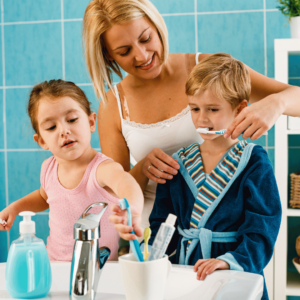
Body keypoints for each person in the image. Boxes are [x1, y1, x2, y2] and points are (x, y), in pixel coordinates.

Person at [83, 0, 296, 230]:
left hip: (223, 228)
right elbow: (117, 195)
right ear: (108, 55)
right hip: (153, 233)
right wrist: (143, 168)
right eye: (124, 51)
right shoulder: (112, 104)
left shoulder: (207, 69)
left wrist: (278, 102)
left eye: (145, 39)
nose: (142, 55)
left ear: (156, 26)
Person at [110, 53, 282, 300]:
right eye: (194, 109)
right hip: (185, 271)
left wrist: (230, 262)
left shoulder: (254, 161)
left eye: (213, 109)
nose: (202, 118)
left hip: (234, 270)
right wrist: (151, 253)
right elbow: (161, 221)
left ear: (240, 108)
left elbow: (263, 226)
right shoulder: (179, 162)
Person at [0, 80, 143, 261]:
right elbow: (44, 197)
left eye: (72, 120)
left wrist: (133, 210)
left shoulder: (101, 169)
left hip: (97, 272)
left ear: (91, 122)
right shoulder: (48, 168)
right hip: (54, 266)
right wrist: (16, 208)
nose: (64, 130)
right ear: (42, 141)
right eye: (51, 127)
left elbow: (126, 183)